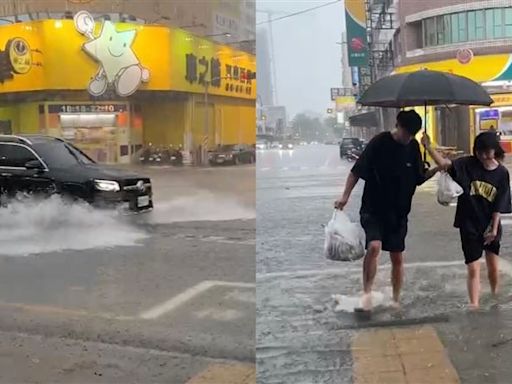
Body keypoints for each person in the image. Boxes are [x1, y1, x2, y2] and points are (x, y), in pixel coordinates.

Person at [335, 110, 439, 311]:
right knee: (374, 247)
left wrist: (436, 168)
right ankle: (366, 293)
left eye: (411, 135)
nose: (407, 138)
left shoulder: (413, 147)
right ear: (397, 125)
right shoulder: (379, 142)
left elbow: (419, 178)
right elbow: (356, 171)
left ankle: (396, 299)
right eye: (405, 133)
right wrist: (345, 196)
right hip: (373, 208)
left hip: (399, 212)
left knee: (397, 256)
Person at [422, 131, 511, 310]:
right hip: (468, 224)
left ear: (495, 150)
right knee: (473, 267)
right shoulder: (467, 165)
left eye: (487, 151)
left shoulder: (502, 173)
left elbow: (499, 204)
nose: (483, 156)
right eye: (479, 152)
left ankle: (494, 297)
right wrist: (428, 147)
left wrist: (494, 229)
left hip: (489, 225)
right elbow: (446, 165)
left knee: (493, 266)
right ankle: (474, 305)